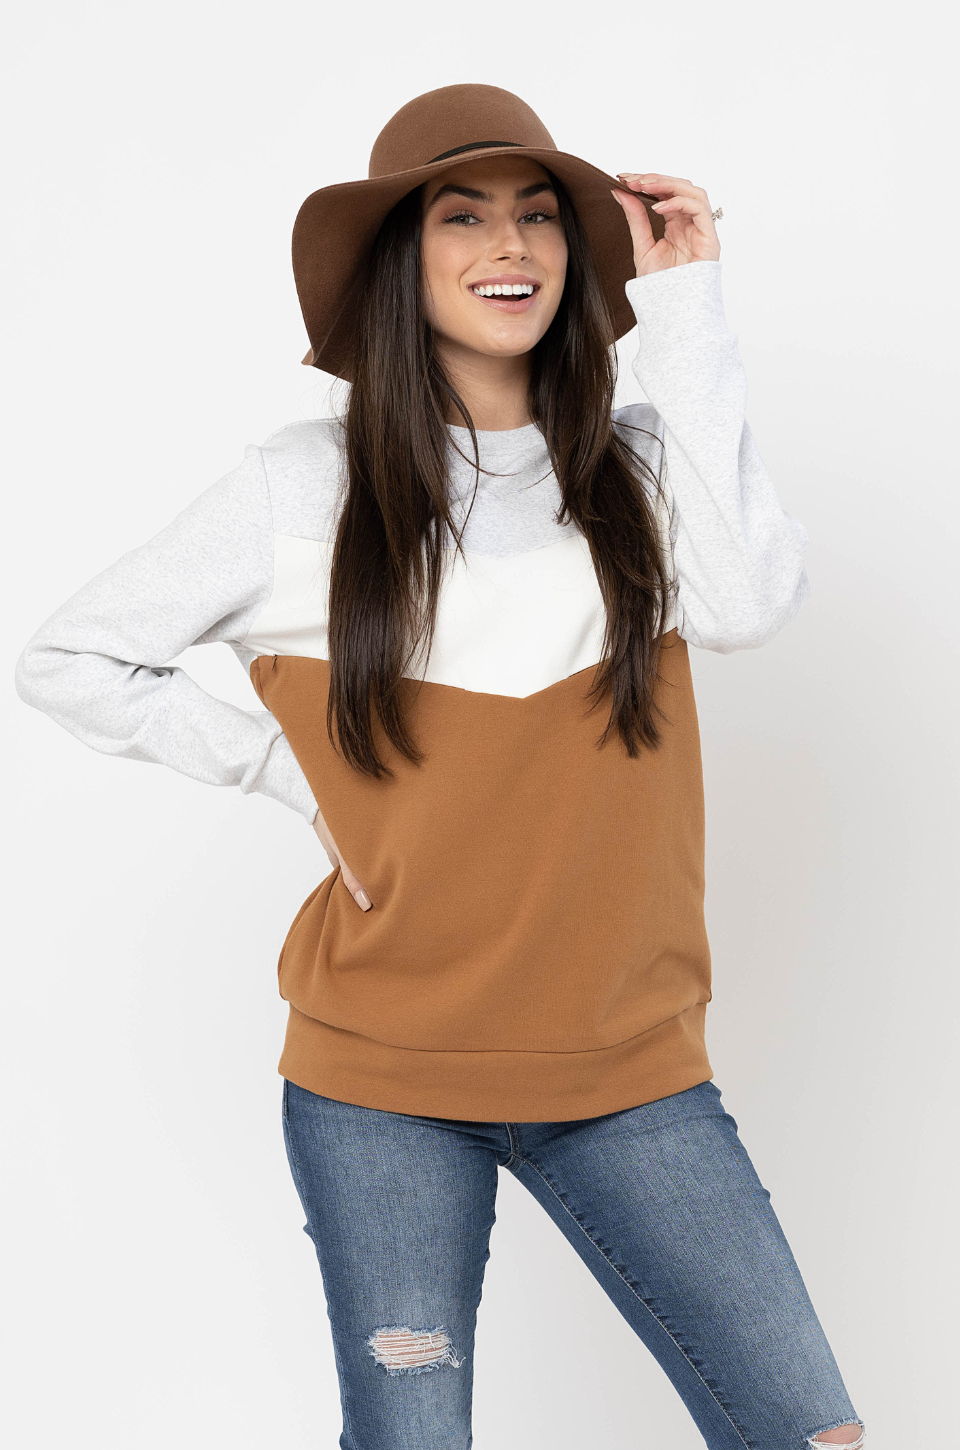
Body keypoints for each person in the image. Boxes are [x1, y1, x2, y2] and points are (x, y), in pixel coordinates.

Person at [15, 83, 866, 1450]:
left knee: (809, 1432)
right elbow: (70, 654)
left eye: (538, 215)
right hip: (379, 1090)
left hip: (630, 1072)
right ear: (400, 263)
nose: (508, 244)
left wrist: (691, 306)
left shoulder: (643, 468)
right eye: (460, 218)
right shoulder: (303, 487)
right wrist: (293, 776)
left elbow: (752, 599)